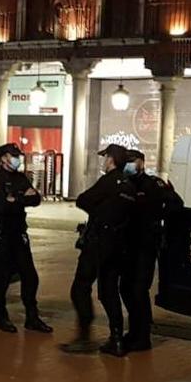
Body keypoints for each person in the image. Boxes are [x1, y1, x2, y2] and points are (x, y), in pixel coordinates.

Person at [65, 144, 137, 357]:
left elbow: (83, 200)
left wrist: (99, 213)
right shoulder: (129, 185)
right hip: (118, 245)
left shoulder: (108, 181)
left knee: (80, 287)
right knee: (108, 292)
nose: (104, 161)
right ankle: (116, 339)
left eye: (105, 157)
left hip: (98, 243)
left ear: (111, 159)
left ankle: (84, 336)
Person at [121, 150, 183, 352]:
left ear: (140, 162)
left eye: (131, 161)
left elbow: (176, 204)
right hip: (128, 244)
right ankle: (134, 331)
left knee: (139, 290)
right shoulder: (125, 183)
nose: (128, 165)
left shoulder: (153, 184)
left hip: (146, 244)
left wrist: (156, 219)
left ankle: (142, 336)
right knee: (126, 288)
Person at [0, 143, 51, 334]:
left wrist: (16, 198)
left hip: (18, 234)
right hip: (2, 235)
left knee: (30, 276)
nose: (16, 159)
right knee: (2, 277)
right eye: (13, 156)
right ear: (4, 158)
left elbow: (36, 199)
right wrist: (21, 198)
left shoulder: (20, 178)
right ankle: (1, 316)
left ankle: (32, 317)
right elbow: (1, 206)